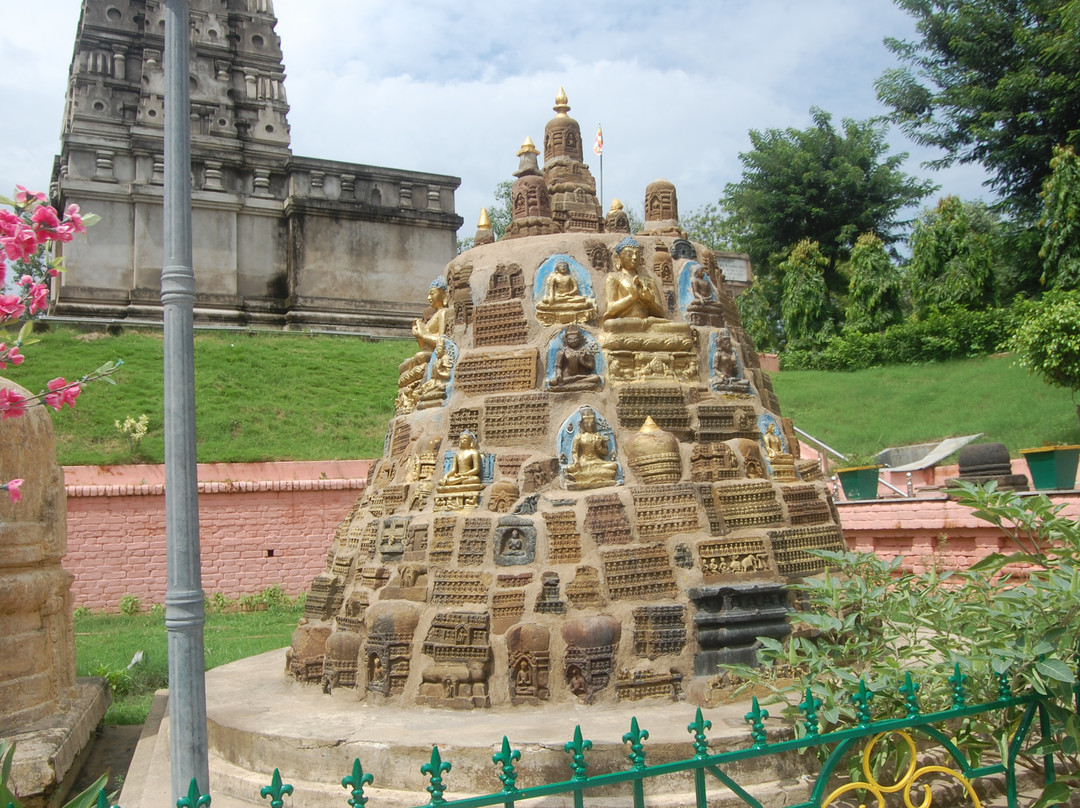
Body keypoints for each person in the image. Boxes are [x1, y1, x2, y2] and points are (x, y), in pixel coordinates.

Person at [601, 237, 666, 321]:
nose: (634, 257)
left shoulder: (648, 281)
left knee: (683, 327)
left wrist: (650, 301)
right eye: (629, 254)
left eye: (637, 254)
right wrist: (631, 298)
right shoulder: (614, 278)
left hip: (647, 322)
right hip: (624, 323)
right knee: (611, 325)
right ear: (618, 257)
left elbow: (660, 313)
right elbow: (610, 308)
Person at [566, 409, 619, 489]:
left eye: (591, 423)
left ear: (594, 424)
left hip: (597, 461)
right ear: (582, 424)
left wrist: (599, 447)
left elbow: (605, 453)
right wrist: (576, 461)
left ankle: (587, 478)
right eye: (586, 424)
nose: (589, 425)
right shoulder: (579, 437)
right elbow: (574, 452)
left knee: (613, 466)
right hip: (584, 462)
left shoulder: (598, 436)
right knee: (570, 469)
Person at [551, 325, 600, 390]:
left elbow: (592, 366)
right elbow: (558, 367)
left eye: (575, 339)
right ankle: (574, 382)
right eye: (570, 339)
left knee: (596, 378)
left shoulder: (584, 351)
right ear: (565, 340)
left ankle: (576, 382)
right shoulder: (562, 352)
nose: (573, 341)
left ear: (580, 339)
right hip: (567, 377)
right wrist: (559, 374)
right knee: (552, 382)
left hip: (581, 377)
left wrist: (583, 362)